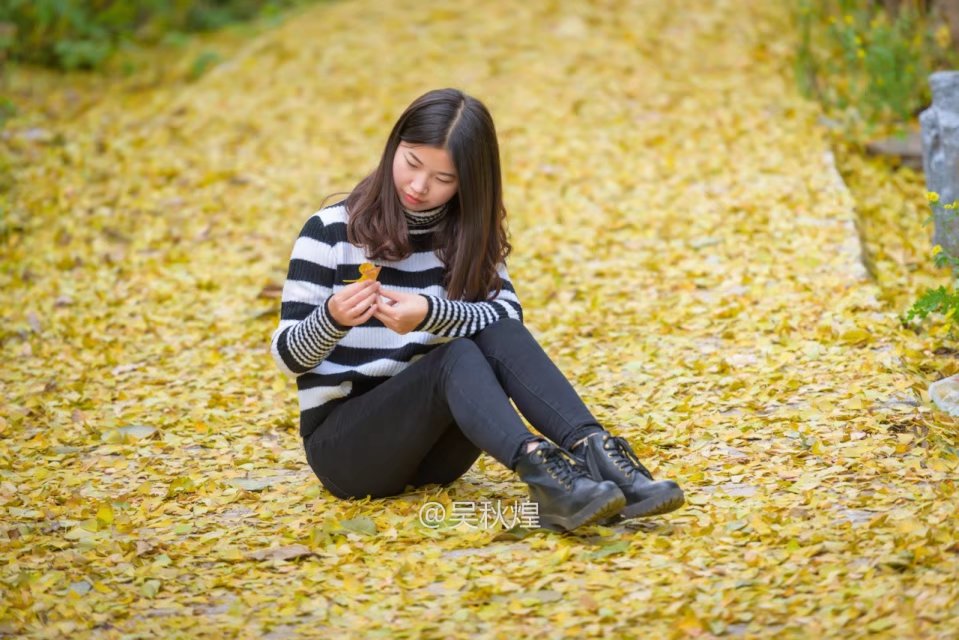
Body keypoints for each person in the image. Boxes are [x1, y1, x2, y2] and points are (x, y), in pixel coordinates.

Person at [270, 88, 684, 532]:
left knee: (497, 327)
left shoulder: (467, 234)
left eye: (443, 178)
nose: (418, 186)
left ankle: (598, 453)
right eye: (411, 163)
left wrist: (430, 313)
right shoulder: (330, 231)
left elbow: (509, 327)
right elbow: (287, 358)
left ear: (469, 181)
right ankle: (544, 476)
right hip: (348, 453)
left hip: (438, 454)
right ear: (394, 147)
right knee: (455, 354)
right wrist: (331, 318)